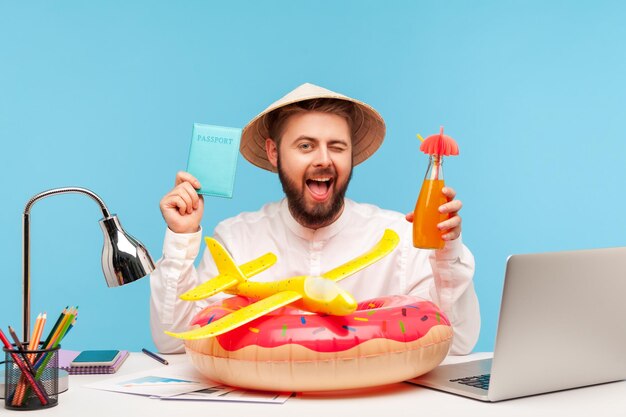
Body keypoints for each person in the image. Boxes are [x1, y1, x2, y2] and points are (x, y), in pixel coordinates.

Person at [150, 83, 480, 354]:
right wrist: (182, 237)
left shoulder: (398, 237)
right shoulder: (236, 239)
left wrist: (446, 253)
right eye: (306, 146)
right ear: (274, 152)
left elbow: (459, 342)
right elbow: (173, 341)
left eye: (337, 147)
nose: (323, 160)